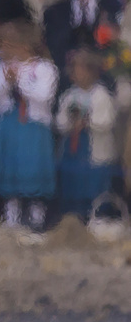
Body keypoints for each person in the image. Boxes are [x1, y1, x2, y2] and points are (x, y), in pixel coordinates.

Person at [0, 21, 58, 229]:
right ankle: (11, 217)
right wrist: (7, 82)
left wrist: (19, 82)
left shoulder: (45, 68)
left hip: (34, 126)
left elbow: (44, 96)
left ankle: (37, 216)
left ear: (24, 45)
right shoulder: (0, 69)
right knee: (12, 170)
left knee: (33, 169)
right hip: (10, 124)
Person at [55, 49, 119, 222]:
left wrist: (86, 122)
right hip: (73, 150)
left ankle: (96, 219)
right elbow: (60, 122)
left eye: (82, 69)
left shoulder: (101, 95)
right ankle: (73, 220)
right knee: (73, 186)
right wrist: (70, 122)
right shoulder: (69, 95)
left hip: (93, 152)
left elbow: (106, 122)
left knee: (94, 188)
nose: (77, 73)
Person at [42, 0, 112, 77]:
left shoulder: (108, 5)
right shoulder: (54, 12)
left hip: (104, 73)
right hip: (68, 76)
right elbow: (54, 47)